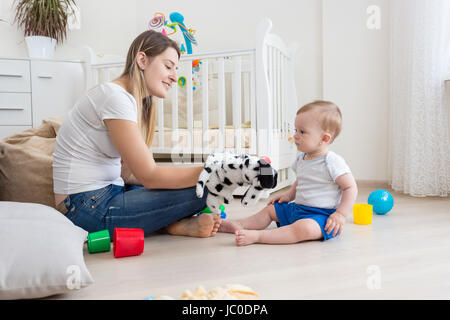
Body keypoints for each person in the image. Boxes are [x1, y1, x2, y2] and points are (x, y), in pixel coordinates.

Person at [53, 30, 221, 238]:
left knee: (196, 185)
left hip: (107, 193)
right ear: (142, 60)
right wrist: (216, 169)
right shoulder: (114, 97)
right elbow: (149, 176)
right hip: (82, 207)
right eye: (168, 66)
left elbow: (126, 174)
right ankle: (169, 223)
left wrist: (185, 179)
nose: (175, 77)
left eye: (176, 69)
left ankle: (170, 225)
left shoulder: (129, 102)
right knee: (208, 187)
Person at [219, 100, 358, 245]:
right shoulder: (301, 159)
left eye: (302, 131)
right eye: (295, 130)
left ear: (324, 138)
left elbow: (350, 187)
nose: (295, 135)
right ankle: (240, 224)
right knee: (270, 210)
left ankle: (259, 236)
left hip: (321, 216)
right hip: (298, 209)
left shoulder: (332, 162)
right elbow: (301, 181)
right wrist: (288, 195)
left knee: (304, 229)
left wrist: (340, 214)